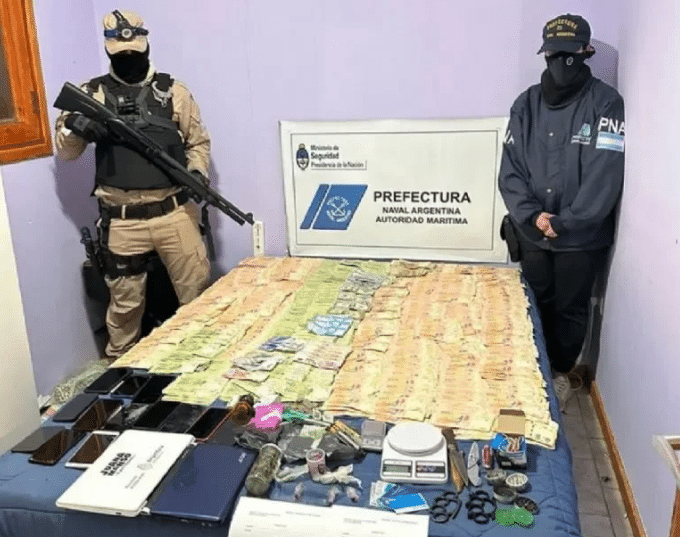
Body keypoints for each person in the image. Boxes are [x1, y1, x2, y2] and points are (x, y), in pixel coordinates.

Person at [55, 9, 211, 360]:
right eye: (121, 53)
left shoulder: (174, 92)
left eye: (135, 51)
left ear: (147, 44)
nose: (129, 58)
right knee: (125, 309)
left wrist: (198, 173)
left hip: (174, 212)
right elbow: (66, 153)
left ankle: (200, 368)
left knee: (198, 298)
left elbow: (198, 143)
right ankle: (121, 373)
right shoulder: (92, 93)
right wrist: (75, 126)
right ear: (108, 49)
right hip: (122, 220)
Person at [498, 14, 624, 408]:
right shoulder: (526, 104)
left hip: (580, 238)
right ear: (545, 54)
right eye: (553, 54)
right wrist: (533, 216)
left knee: (571, 311)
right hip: (531, 232)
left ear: (586, 51)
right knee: (535, 303)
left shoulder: (605, 103)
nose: (560, 63)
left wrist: (567, 222)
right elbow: (510, 170)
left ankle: (560, 375)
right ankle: (532, 374)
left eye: (569, 54)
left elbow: (605, 174)